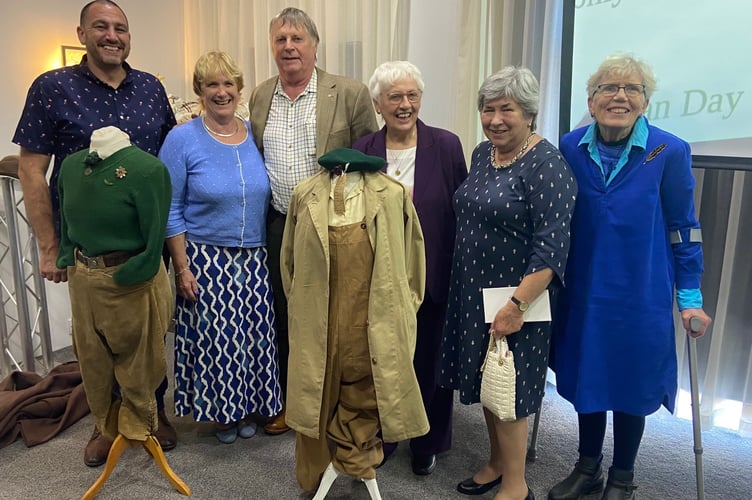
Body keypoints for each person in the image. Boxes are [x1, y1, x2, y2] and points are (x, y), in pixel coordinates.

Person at [12, 0, 177, 466]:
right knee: (96, 343)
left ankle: (150, 413)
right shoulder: (52, 88)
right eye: (101, 26)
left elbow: (168, 159)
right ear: (81, 33)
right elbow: (31, 167)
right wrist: (48, 246)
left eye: (121, 28)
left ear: (129, 36)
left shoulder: (150, 88)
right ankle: (106, 422)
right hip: (87, 251)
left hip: (145, 243)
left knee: (147, 336)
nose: (112, 35)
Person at [548, 54, 712, 500]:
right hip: (584, 290)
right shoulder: (570, 145)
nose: (619, 95)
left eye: (632, 89)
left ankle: (623, 476)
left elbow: (684, 226)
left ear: (645, 102)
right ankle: (588, 468)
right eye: (608, 87)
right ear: (591, 99)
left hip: (641, 292)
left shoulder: (665, 151)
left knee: (631, 379)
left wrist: (690, 296)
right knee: (589, 375)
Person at [440, 67, 577, 500]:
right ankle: (498, 463)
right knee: (488, 384)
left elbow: (552, 248)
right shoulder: (484, 153)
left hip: (519, 301)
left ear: (530, 114)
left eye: (507, 110)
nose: (496, 119)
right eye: (488, 109)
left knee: (512, 392)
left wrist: (516, 306)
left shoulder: (547, 164)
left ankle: (517, 485)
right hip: (473, 293)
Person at [248, 6, 378, 436]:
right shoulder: (261, 95)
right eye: (281, 39)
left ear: (314, 46)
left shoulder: (350, 92)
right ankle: (292, 401)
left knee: (337, 314)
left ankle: (340, 401)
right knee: (286, 314)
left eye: (297, 39)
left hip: (336, 228)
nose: (289, 47)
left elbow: (368, 162)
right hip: (280, 223)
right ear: (272, 47)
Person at [281, 148, 428, 499]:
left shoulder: (391, 195)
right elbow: (289, 263)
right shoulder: (305, 194)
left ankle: (352, 458)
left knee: (370, 389)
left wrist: (404, 311)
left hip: (373, 314)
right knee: (317, 396)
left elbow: (413, 263)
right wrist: (301, 308)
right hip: (320, 313)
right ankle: (321, 472)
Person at [159, 51, 282, 444]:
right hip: (206, 257)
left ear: (239, 90)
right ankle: (222, 415)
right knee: (218, 340)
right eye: (212, 84)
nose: (222, 91)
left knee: (253, 336)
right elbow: (170, 208)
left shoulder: (251, 133)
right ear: (200, 91)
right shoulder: (182, 138)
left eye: (228, 83)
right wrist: (182, 267)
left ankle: (248, 407)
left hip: (254, 256)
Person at [352, 60, 467, 475]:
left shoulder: (447, 145)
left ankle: (428, 442)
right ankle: (386, 433)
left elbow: (459, 212)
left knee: (430, 361)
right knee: (383, 359)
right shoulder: (364, 150)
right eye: (394, 96)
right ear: (378, 103)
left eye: (412, 95)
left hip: (433, 273)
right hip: (379, 277)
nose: (405, 104)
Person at [57, 125, 172, 450]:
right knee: (91, 356)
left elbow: (156, 230)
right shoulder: (70, 166)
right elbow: (65, 219)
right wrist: (66, 254)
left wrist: (144, 265)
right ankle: (106, 426)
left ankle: (141, 424)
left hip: (128, 279)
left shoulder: (148, 170)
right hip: (83, 278)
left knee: (139, 358)